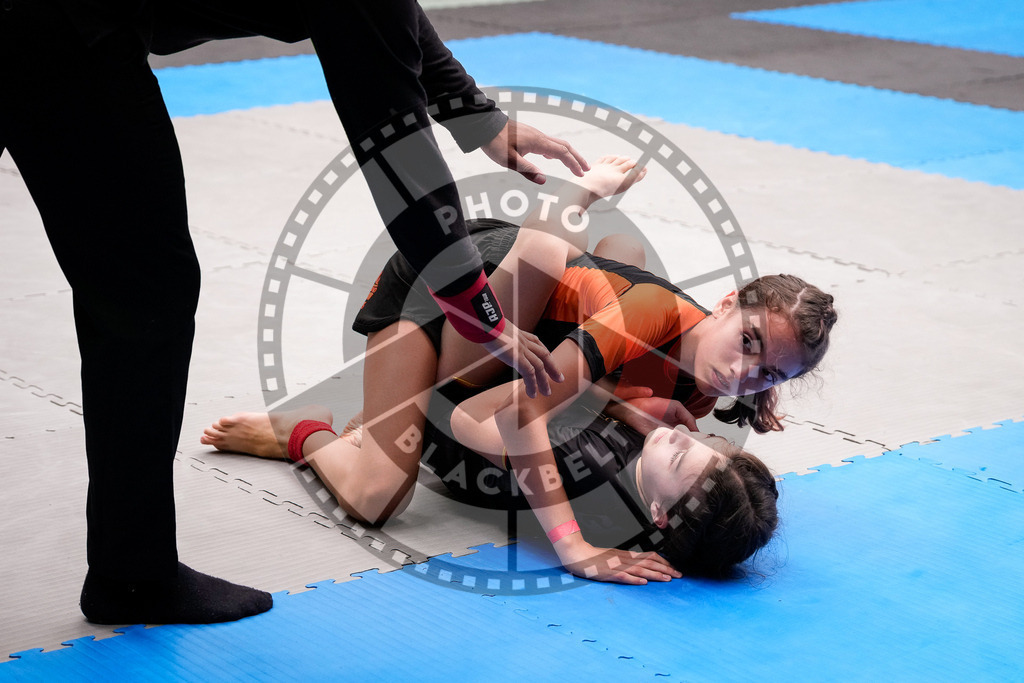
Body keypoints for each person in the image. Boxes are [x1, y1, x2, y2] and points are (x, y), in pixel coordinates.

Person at [0, 0, 588, 624]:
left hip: (59, 28)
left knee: (144, 289)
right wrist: (480, 308)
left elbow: (386, 18)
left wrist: (472, 112)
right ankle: (132, 575)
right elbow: (394, 142)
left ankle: (132, 571)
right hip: (53, 28)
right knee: (146, 293)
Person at [203, 156, 836, 582]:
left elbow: (562, 417)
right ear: (728, 302)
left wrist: (641, 414)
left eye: (771, 375)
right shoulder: (649, 314)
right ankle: (305, 434)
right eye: (749, 342)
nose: (745, 369)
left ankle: (387, 417)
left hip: (517, 340)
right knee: (377, 496)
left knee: (600, 289)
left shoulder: (700, 398)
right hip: (449, 289)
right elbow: (526, 413)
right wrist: (575, 550)